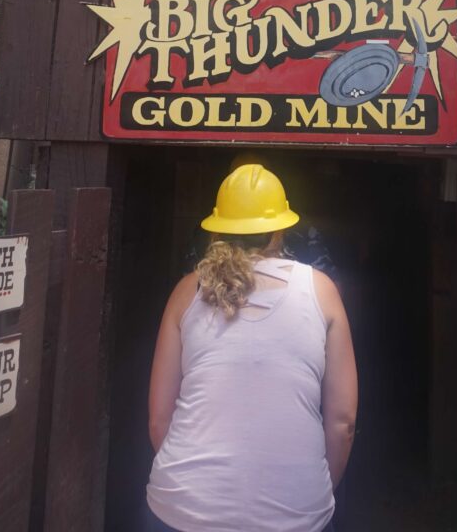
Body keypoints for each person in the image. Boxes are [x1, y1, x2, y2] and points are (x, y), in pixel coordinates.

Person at [146, 163, 358, 532]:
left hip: (181, 507)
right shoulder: (321, 290)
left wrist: (203, 497)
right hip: (296, 511)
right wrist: (313, 492)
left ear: (217, 229)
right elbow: (343, 424)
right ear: (280, 229)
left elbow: (159, 420)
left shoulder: (186, 291)